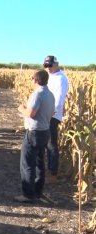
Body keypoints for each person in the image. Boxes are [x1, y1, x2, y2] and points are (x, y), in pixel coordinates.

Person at [15, 70, 55, 203]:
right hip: (45, 131)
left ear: (36, 80)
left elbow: (31, 113)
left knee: (27, 163)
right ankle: (38, 191)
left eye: (32, 79)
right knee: (39, 163)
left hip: (34, 132)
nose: (31, 81)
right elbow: (50, 112)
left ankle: (28, 194)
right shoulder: (50, 94)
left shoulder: (37, 94)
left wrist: (21, 109)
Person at [44, 55, 69, 183]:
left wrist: (49, 113)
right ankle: (50, 170)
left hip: (53, 115)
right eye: (46, 65)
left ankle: (53, 175)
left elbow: (58, 101)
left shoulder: (61, 79)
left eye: (49, 65)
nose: (47, 68)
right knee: (48, 144)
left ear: (56, 64)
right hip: (47, 114)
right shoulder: (52, 76)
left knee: (52, 144)